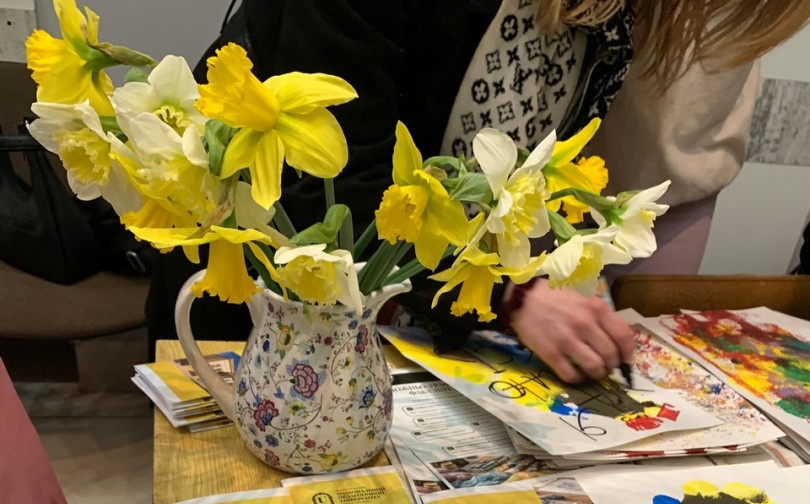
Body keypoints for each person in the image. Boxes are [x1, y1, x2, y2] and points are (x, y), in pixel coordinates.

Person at [146, 0, 810, 383]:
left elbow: (524, 175)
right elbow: (337, 183)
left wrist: (515, 289)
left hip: (407, 312)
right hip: (263, 270)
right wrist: (512, 298)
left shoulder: (610, 14)